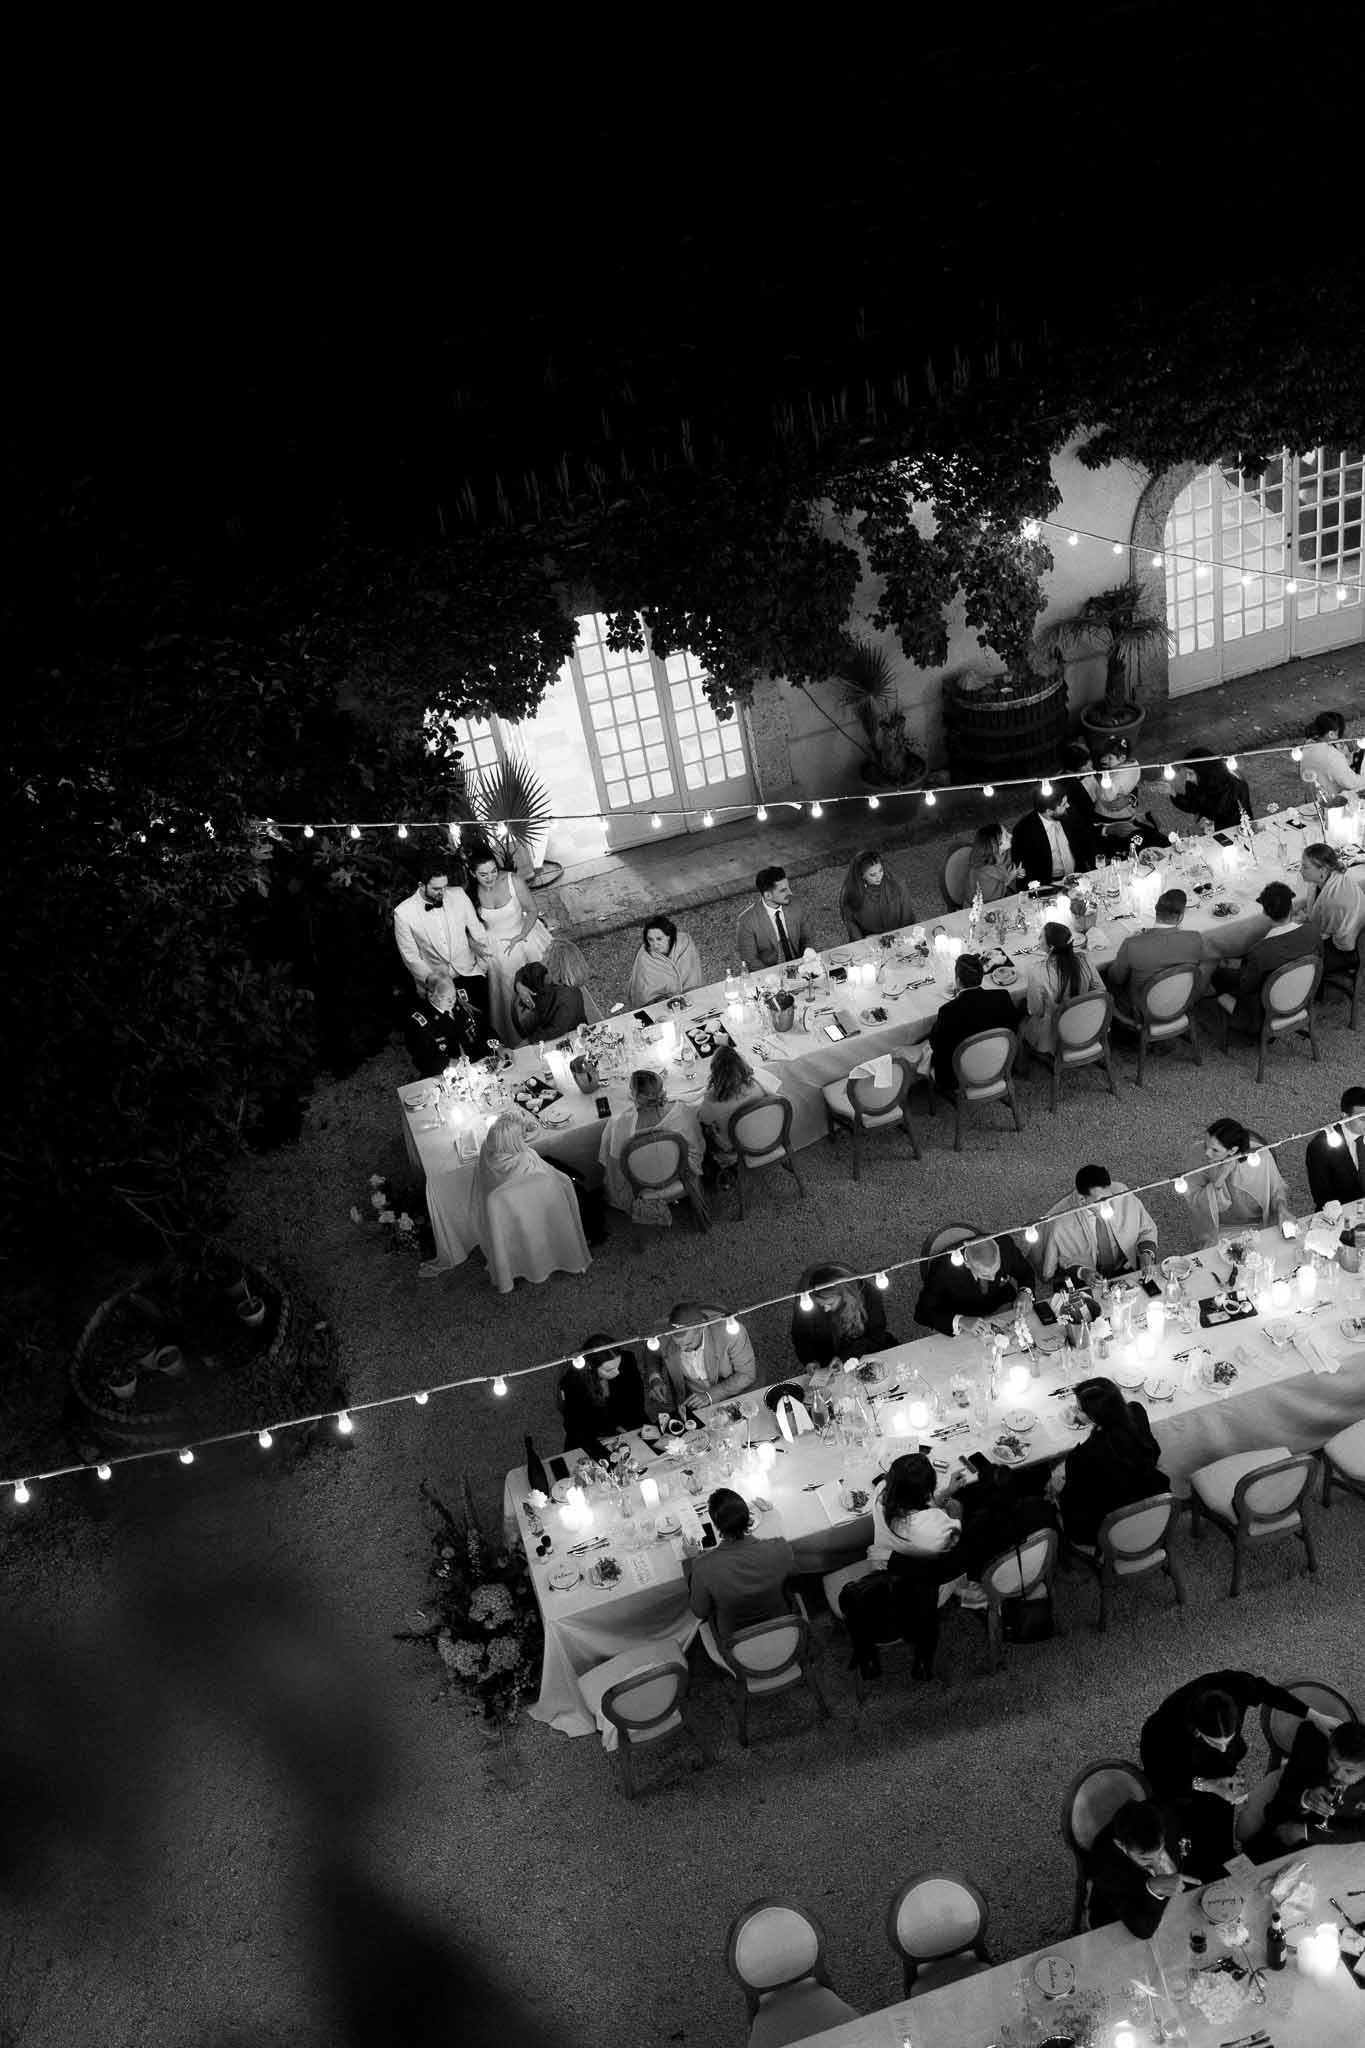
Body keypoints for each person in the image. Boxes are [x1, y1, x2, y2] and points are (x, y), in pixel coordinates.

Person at [1140, 1669, 1324, 1804]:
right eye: (1215, 1742)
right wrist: (1206, 1784)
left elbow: (1269, 1692)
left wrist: (1316, 1716)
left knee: (1222, 1797)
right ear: (1196, 1730)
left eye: (1228, 1739)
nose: (1223, 1748)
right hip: (1179, 1765)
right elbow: (1160, 1777)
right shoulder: (1163, 1730)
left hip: (1213, 1761)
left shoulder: (1237, 1685)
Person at [468, 1114, 591, 1294]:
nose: (524, 1138)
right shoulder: (526, 1164)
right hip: (537, 1210)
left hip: (505, 1215)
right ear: (513, 1142)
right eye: (521, 1136)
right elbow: (553, 1185)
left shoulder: (487, 1151)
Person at [1055, 1377, 1167, 1550]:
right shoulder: (1136, 1412)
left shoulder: (1082, 1456)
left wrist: (1059, 1488)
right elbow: (1154, 1452)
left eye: (1079, 1409)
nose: (1076, 1412)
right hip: (1151, 1501)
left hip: (1110, 1525)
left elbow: (1072, 1501)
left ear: (1094, 1416)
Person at [682, 1489, 796, 1648]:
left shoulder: (703, 1566)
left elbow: (700, 1611)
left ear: (716, 1526)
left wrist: (691, 1560)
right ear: (749, 1517)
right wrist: (771, 1514)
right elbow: (789, 1568)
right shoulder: (779, 1549)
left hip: (736, 1641)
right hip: (782, 1625)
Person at [466, 847, 554, 1043]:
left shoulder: (513, 881)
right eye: (483, 874)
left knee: (543, 983)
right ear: (473, 874)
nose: (490, 877)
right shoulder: (470, 894)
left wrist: (521, 934)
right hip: (495, 949)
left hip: (524, 936)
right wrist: (473, 944)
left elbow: (532, 910)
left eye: (493, 871)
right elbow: (465, 926)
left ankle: (554, 1022)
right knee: (509, 997)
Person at [1085, 1799, 1207, 1938]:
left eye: (1160, 1852)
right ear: (1121, 1845)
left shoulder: (1165, 1815)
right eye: (1145, 1859)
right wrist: (1154, 1889)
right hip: (1121, 1919)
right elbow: (1143, 1929)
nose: (1158, 1867)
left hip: (1176, 1908)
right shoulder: (1103, 1865)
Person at [1211, 880, 1321, 1034]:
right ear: (1291, 907)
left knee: (1218, 975)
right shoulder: (1313, 932)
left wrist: (1232, 967)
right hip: (1302, 996)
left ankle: (1240, 1018)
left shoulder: (1259, 951)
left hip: (1263, 1013)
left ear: (1264, 913)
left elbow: (1246, 987)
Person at [392, 864, 492, 1030]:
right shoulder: (403, 913)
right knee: (452, 1032)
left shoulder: (458, 894)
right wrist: (436, 984)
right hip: (437, 985)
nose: (443, 892)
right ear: (421, 885)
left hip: (470, 972)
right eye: (436, 888)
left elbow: (477, 930)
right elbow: (410, 957)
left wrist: (482, 966)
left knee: (484, 1026)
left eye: (445, 886)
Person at [598, 1069, 705, 1222]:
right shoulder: (680, 1111)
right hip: (679, 1175)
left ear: (634, 1094)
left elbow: (614, 1162)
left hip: (640, 1182)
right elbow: (697, 1144)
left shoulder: (621, 1123)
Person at [1257, 1718, 1365, 1854]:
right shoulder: (1310, 1748)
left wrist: (1307, 1832)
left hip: (1337, 1852)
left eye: (1349, 1771)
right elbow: (1275, 1810)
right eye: (1332, 1761)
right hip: (1282, 1847)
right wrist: (1304, 1798)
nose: (1337, 1775)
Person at [1179, 1118, 1292, 1246]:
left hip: (1258, 1225)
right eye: (1206, 1145)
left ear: (1233, 1150)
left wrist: (1282, 1208)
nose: (1207, 1153)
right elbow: (1195, 1200)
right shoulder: (1198, 1155)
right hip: (1217, 1227)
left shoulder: (1259, 1156)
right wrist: (1220, 1179)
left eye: (1215, 1150)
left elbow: (1276, 1189)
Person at [1040, 1166, 1158, 1283]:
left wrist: (1146, 1256)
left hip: (1124, 1266)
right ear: (1082, 1200)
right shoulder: (1061, 1221)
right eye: (1101, 1201)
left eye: (1109, 1198)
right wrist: (1084, 1273)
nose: (1109, 1205)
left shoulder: (1121, 1194)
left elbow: (1145, 1230)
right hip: (1087, 1278)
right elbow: (1060, 1264)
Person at [1105, 888, 1205, 1025]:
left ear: (1155, 910)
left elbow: (1116, 979)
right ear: (1181, 916)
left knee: (1104, 978)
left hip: (1142, 1011)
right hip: (1180, 1001)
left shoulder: (1132, 944)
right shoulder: (1196, 939)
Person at [927, 953, 1017, 1101]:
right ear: (982, 976)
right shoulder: (1002, 997)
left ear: (957, 980)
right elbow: (1013, 1028)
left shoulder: (948, 1011)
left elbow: (936, 1045)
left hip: (958, 1077)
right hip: (1000, 1064)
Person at [648, 1301, 757, 1416]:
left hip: (733, 1394)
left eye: (689, 1343)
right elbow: (651, 1354)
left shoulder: (729, 1333)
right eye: (678, 1344)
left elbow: (746, 1374)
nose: (683, 1349)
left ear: (700, 1329)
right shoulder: (660, 1335)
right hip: (690, 1400)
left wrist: (709, 1396)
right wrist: (655, 1378)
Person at [915, 1233, 1035, 1336]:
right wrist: (960, 1321)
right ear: (967, 1263)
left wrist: (1025, 1292)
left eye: (996, 1269)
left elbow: (1025, 1272)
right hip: (966, 1317)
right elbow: (922, 1312)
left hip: (1002, 1305)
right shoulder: (943, 1269)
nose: (993, 1278)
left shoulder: (1005, 1245)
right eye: (986, 1275)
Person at [789, 1262, 899, 1370]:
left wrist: (846, 1357)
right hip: (828, 1363)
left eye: (829, 1303)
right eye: (820, 1304)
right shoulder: (807, 1303)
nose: (825, 1309)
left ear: (845, 1295)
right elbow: (801, 1337)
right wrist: (810, 1360)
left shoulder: (868, 1295)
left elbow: (876, 1336)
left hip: (869, 1356)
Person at [697, 1045, 782, 1177]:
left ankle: (717, 1169)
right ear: (741, 1065)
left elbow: (702, 1118)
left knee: (703, 1130)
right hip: (765, 1134)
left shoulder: (711, 1099)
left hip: (735, 1146)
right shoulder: (756, 1083)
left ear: (715, 1072)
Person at [1021, 921, 1102, 1058]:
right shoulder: (1084, 960)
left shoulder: (1036, 972)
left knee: (1021, 1018)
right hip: (1089, 1024)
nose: (1038, 940)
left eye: (1041, 937)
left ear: (1051, 947)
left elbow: (1036, 1011)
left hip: (1056, 1033)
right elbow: (1100, 990)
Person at [559, 1335, 648, 1458]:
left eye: (618, 1365)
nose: (617, 1372)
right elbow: (575, 1426)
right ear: (591, 1367)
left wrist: (626, 1429)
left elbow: (637, 1400)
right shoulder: (573, 1381)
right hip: (593, 1435)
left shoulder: (627, 1360)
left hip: (627, 1423)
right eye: (609, 1369)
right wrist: (611, 1435)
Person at [404, 972, 494, 1075]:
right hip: (446, 1071)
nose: (452, 1002)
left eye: (453, 996)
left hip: (478, 1062)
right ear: (431, 995)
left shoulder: (461, 1000)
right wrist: (449, 1063)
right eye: (445, 998)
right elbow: (422, 1058)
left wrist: (498, 1046)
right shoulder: (419, 1021)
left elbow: (484, 1027)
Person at [1297, 842, 1365, 965]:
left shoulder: (1333, 902)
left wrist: (1303, 920)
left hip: (1347, 947)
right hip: (1350, 929)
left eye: (1305, 867)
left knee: (1302, 957)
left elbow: (1319, 930)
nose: (1300, 870)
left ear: (1322, 869)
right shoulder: (1333, 876)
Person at [1010, 785, 1093, 887]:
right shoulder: (1023, 830)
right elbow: (1019, 868)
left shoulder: (1069, 814)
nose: (1068, 806)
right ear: (1049, 811)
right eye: (1063, 804)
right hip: (1048, 884)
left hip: (1076, 877)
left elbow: (1086, 840)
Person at [736, 866, 812, 970]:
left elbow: (808, 938)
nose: (790, 893)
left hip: (801, 966)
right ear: (768, 896)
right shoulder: (746, 921)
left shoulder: (796, 904)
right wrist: (774, 976)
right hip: (770, 974)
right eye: (783, 890)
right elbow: (750, 960)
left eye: (788, 888)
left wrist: (807, 961)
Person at [625, 915, 705, 1008]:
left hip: (691, 1000)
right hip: (662, 1007)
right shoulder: (644, 957)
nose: (655, 944)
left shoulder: (685, 945)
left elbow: (694, 976)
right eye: (650, 939)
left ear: (669, 936)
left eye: (659, 939)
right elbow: (643, 993)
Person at [1306, 1085, 1365, 1206]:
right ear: (1345, 1116)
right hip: (1342, 1215)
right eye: (1363, 1118)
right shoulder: (1320, 1147)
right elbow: (1322, 1196)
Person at [838, 849, 916, 940]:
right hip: (869, 940)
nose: (879, 877)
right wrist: (863, 941)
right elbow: (850, 922)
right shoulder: (850, 892)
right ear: (861, 875)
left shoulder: (895, 884)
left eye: (881, 870)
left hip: (899, 936)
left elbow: (907, 914)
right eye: (873, 875)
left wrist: (902, 935)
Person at [1169, 755, 1251, 832]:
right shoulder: (1193, 784)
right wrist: (1173, 793)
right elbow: (1193, 805)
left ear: (1204, 772)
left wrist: (1211, 820)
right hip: (1216, 831)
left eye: (1190, 773)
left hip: (1237, 828)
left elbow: (1240, 812)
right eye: (1187, 773)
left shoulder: (1233, 785)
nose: (1187, 778)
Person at [511, 962, 587, 1043]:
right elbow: (525, 970)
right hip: (542, 1026)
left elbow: (556, 1029)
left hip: (569, 1036)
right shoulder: (541, 970)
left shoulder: (569, 996)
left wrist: (529, 1041)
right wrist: (519, 986)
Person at [1299, 709, 1365, 804]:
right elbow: (1352, 783)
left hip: (1311, 799)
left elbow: (1330, 769)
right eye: (1340, 734)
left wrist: (1345, 756)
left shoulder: (1309, 744)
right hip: (1329, 803)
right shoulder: (1331, 755)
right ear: (1331, 734)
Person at [543, 936, 604, 1023]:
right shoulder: (573, 990)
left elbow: (558, 1028)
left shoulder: (560, 994)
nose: (542, 954)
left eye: (545, 954)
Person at [966, 822, 1020, 904]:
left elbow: (1007, 870)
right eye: (1006, 836)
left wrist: (1015, 873)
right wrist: (1010, 878)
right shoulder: (983, 872)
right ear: (995, 845)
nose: (1011, 836)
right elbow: (989, 901)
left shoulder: (1002, 854)